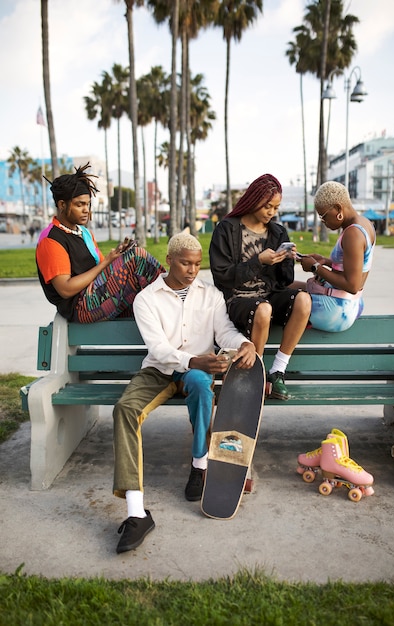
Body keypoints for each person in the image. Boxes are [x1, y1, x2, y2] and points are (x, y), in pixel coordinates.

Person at [113, 233, 256, 554]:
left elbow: (225, 332)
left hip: (196, 371)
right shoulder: (146, 298)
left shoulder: (210, 295)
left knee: (202, 386)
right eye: (185, 263)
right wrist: (193, 359)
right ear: (169, 261)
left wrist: (242, 343)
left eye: (196, 264)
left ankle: (200, 465)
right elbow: (159, 349)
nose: (192, 270)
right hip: (159, 370)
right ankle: (136, 513)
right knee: (124, 409)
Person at [209, 173, 311, 401]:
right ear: (254, 199)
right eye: (267, 206)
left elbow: (283, 282)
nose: (272, 212)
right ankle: (255, 373)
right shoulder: (226, 229)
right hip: (236, 300)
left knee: (303, 299)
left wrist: (286, 259)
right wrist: (258, 262)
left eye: (276, 207)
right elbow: (221, 277)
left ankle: (277, 371)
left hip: (267, 297)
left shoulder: (277, 232)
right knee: (263, 309)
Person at [36, 163, 165, 323]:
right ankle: (175, 300)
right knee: (137, 258)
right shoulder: (51, 239)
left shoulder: (84, 233)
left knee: (148, 301)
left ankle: (174, 309)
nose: (86, 210)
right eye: (79, 204)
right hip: (81, 307)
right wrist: (107, 263)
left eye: (88, 204)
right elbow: (66, 289)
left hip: (96, 296)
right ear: (62, 205)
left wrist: (119, 257)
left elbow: (104, 275)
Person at [294, 181, 376, 332]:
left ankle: (281, 355)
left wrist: (316, 267)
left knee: (283, 296)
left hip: (336, 311)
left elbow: (352, 285)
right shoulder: (365, 223)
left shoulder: (353, 234)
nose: (323, 222)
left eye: (323, 216)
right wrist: (325, 261)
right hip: (352, 303)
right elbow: (353, 267)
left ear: (338, 208)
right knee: (290, 286)